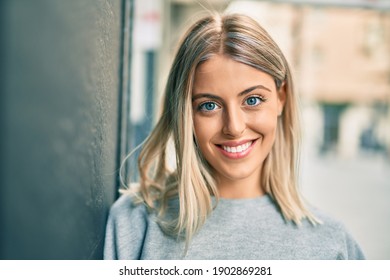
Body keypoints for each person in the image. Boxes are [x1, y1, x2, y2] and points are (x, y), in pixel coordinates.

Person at [104, 12, 365, 260]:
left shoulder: (332, 246)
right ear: (185, 114)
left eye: (252, 99)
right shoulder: (134, 224)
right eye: (209, 105)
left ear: (281, 98)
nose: (235, 127)